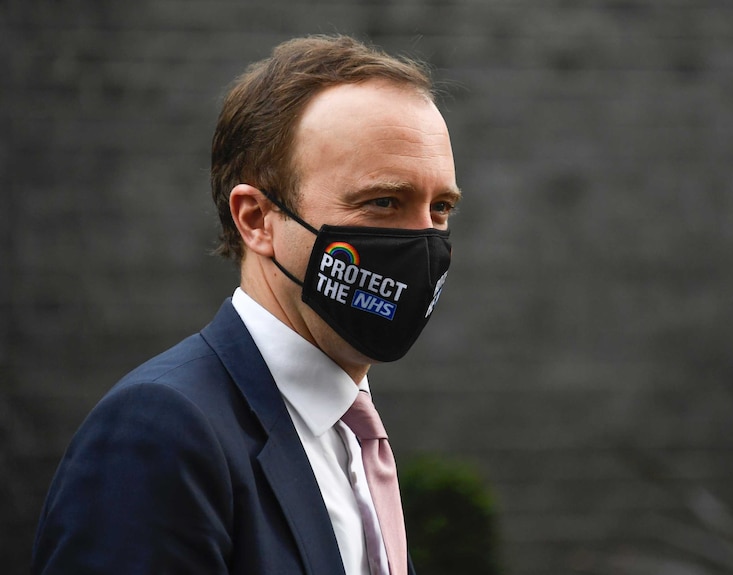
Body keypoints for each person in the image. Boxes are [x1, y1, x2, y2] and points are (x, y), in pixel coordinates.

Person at [32, 34, 461, 575]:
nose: (423, 241)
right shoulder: (162, 433)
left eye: (440, 208)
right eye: (382, 202)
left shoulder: (350, 435)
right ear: (257, 219)